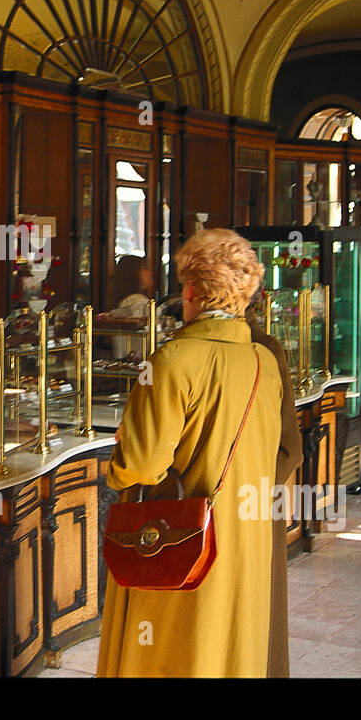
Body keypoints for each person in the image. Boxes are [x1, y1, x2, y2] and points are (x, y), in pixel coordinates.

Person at [97, 228, 283, 677]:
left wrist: (116, 466)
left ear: (192, 290)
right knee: (230, 647)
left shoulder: (171, 360)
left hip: (181, 537)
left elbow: (141, 466)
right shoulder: (265, 360)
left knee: (170, 650)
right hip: (245, 535)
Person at [248, 289, 304, 678]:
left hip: (243, 501)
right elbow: (291, 448)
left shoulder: (265, 349)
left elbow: (290, 447)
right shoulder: (266, 349)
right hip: (255, 497)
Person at [105, 255, 154, 357]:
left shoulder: (123, 302)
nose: (150, 273)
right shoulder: (141, 304)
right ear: (133, 273)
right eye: (145, 268)